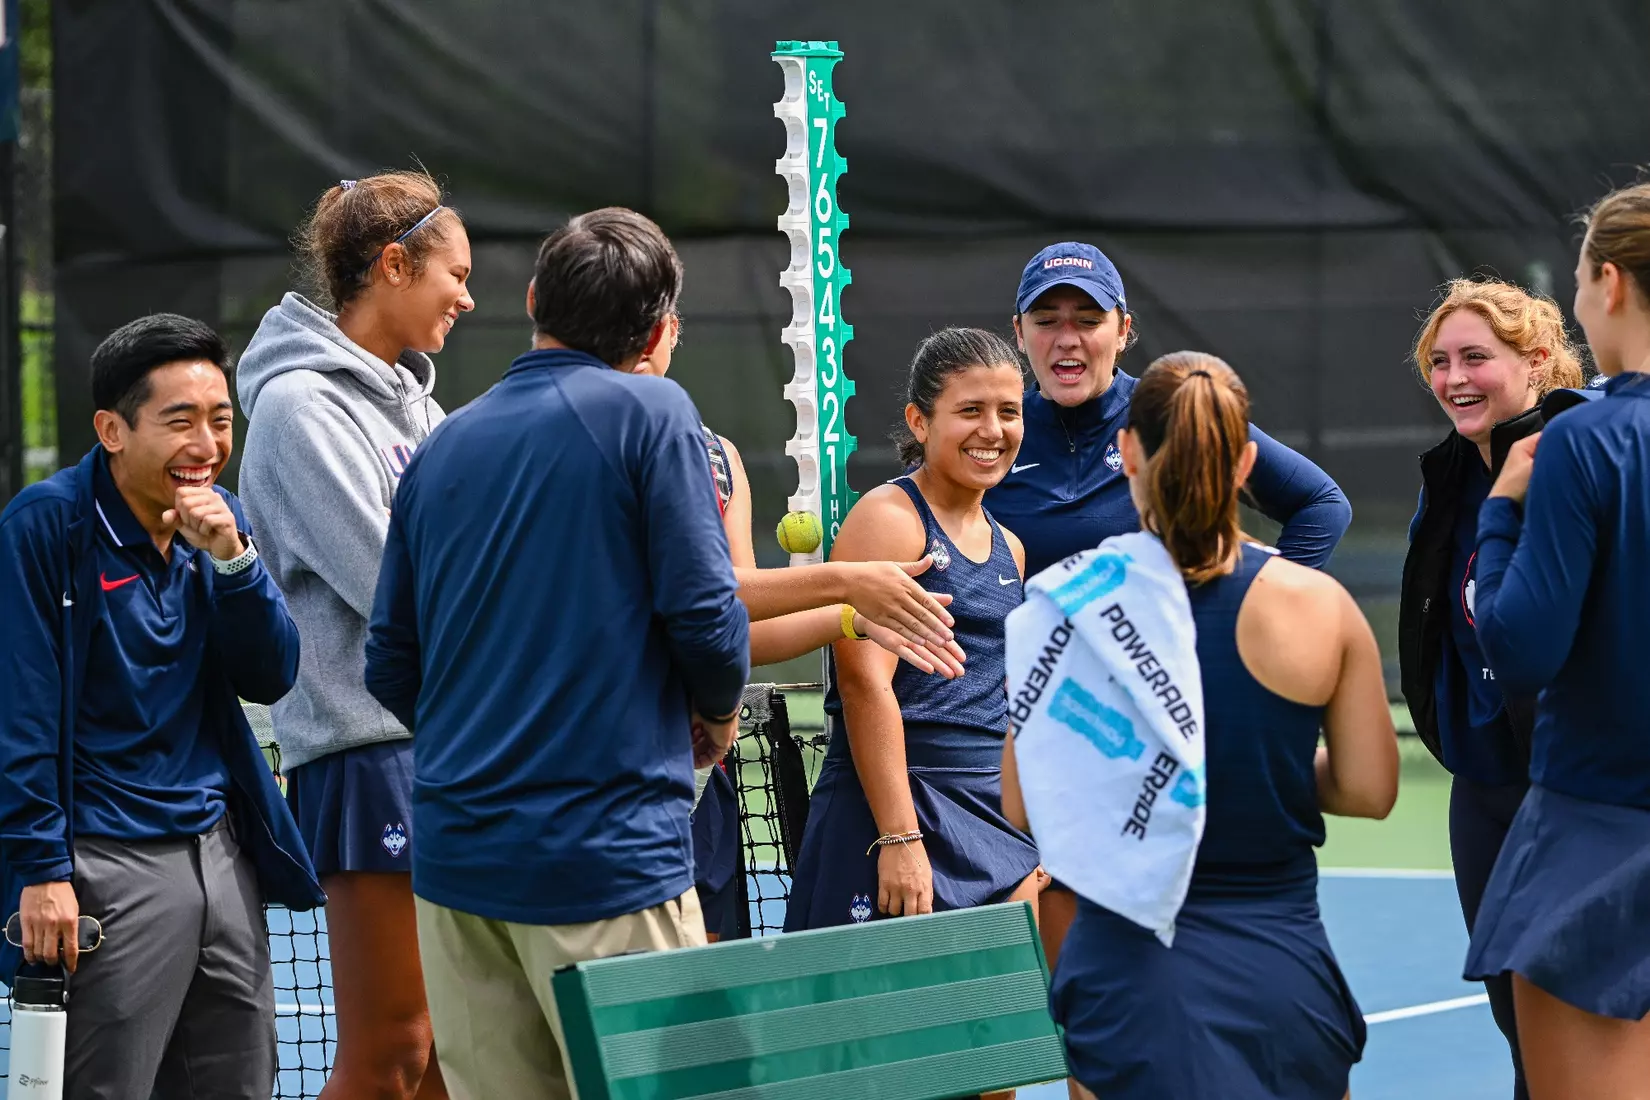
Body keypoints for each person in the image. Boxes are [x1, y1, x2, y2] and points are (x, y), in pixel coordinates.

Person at [364, 207, 750, 1100]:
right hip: (606, 859)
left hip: (457, 864)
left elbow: (391, 661)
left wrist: (480, 737)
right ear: (660, 332)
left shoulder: (442, 443)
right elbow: (707, 616)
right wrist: (718, 718)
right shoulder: (656, 411)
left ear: (534, 299)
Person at [1002, 351, 1397, 1100]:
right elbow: (1370, 790)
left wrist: (1165, 770)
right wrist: (1246, 767)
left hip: (1127, 981)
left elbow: (1024, 805)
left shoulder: (1068, 608)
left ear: (1127, 452)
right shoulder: (1319, 606)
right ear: (1247, 461)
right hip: (1284, 977)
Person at [983, 242, 1354, 1010]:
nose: (1066, 337)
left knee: (1217, 982)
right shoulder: (1000, 428)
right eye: (1046, 320)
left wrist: (1248, 610)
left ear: (1124, 329)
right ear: (1018, 333)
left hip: (1178, 742)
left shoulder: (1168, 415)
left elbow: (1323, 504)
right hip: (1057, 740)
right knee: (1087, 1002)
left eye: (1087, 319)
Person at [0, 314, 325, 1098]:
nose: (207, 445)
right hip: (104, 866)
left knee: (239, 1085)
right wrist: (42, 869)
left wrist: (236, 564)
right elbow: (20, 713)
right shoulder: (44, 528)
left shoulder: (225, 521)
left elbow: (273, 674)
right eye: (180, 422)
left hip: (221, 855)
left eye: (220, 421)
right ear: (112, 429)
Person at [237, 171, 472, 1099]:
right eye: (452, 273)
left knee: (455, 1052)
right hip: (369, 756)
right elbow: (396, 588)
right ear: (393, 265)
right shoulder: (299, 410)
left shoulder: (422, 409)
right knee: (395, 1050)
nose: (465, 294)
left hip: (450, 752)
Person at [632, 316, 968, 940]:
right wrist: (845, 582)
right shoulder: (561, 449)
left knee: (694, 1011)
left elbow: (734, 625)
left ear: (672, 331)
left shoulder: (719, 459)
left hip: (696, 785)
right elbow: (676, 597)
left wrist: (852, 616)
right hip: (594, 782)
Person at [1464, 181, 1650, 1099]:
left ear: (1609, 284)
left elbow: (1521, 648)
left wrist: (1500, 516)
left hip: (1594, 836)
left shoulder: (1587, 441)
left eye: (1580, 278)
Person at [784, 328, 1042, 944]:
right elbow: (864, 685)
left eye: (1009, 412)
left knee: (992, 1029)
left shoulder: (1012, 548)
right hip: (895, 811)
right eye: (970, 411)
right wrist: (899, 839)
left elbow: (1000, 702)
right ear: (919, 422)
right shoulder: (889, 520)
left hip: (990, 817)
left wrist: (1033, 835)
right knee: (869, 1033)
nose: (993, 430)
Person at [1397, 278, 1585, 1098]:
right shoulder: (1450, 472)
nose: (1453, 378)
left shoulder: (1582, 455)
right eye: (1439, 362)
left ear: (1538, 360)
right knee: (1519, 1024)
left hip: (1576, 791)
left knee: (1582, 1023)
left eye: (1477, 357)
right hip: (1482, 784)